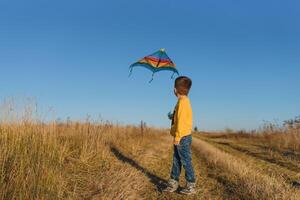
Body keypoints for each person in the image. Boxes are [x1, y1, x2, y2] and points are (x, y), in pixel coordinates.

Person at [163, 76, 196, 195]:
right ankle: (173, 182)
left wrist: (177, 137)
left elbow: (182, 122)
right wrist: (172, 116)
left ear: (175, 89)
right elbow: (179, 117)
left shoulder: (183, 103)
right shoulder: (182, 102)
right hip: (182, 136)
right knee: (176, 160)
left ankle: (191, 185)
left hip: (182, 137)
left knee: (185, 160)